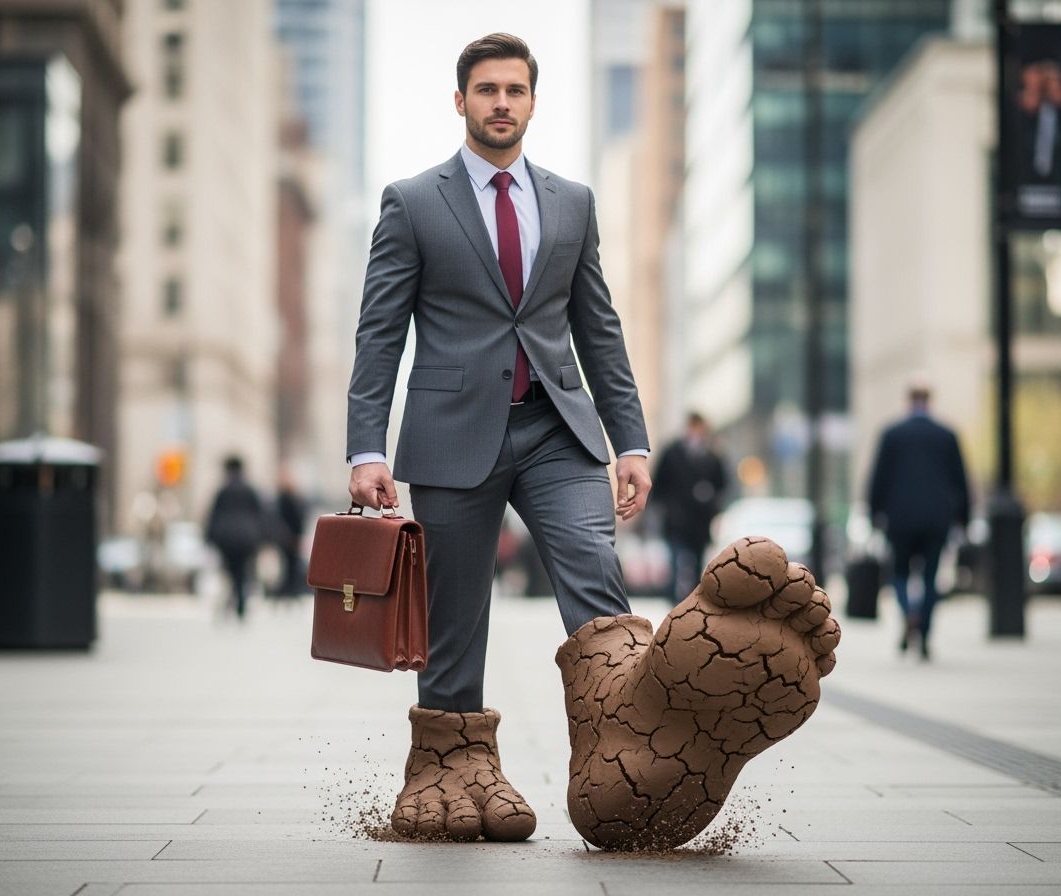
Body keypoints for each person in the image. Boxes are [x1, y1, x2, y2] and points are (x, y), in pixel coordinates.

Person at [345, 33, 840, 850]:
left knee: (595, 572)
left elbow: (597, 328)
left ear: (534, 101)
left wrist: (632, 442)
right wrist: (368, 447)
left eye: (514, 89)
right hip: (452, 434)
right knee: (455, 612)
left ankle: (634, 741)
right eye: (486, 90)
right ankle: (449, 766)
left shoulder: (571, 201)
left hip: (557, 429)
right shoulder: (413, 201)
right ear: (460, 101)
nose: (501, 102)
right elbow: (379, 334)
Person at [867, 378, 969, 660]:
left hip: (899, 519)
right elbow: (960, 481)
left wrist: (874, 513)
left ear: (908, 400)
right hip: (937, 519)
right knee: (930, 578)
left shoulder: (892, 434)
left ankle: (909, 613)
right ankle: (923, 633)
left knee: (898, 575)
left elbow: (878, 479)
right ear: (930, 400)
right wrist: (964, 518)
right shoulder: (946, 435)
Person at [652, 412, 728, 603]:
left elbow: (722, 484)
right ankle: (674, 605)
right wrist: (663, 508)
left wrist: (711, 502)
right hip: (676, 520)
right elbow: (659, 484)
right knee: (676, 565)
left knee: (696, 566)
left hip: (700, 522)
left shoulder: (712, 455)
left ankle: (693, 606)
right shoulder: (672, 452)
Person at [204, 456, 264, 620]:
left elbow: (214, 516)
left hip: (227, 539)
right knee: (242, 572)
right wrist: (261, 538)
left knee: (231, 571)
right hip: (246, 539)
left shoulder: (223, 491)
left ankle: (235, 601)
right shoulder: (250, 490)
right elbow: (260, 515)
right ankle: (239, 602)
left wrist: (208, 538)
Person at [273, 465, 307, 599]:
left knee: (289, 564)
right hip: (291, 536)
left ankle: (289, 590)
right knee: (290, 564)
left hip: (286, 537)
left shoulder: (283, 499)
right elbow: (298, 519)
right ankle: (291, 590)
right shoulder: (293, 499)